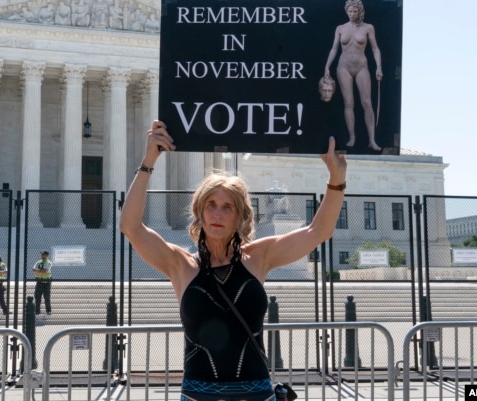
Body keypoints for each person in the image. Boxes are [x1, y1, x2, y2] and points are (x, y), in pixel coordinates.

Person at [120, 120, 347, 401]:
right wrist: (148, 162)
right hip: (197, 395)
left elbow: (318, 231)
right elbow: (131, 227)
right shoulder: (181, 264)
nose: (217, 214)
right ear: (200, 212)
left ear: (240, 216)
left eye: (227, 207)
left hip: (256, 393)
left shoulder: (258, 257)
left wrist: (336, 180)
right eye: (211, 205)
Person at [324, 0, 382, 151]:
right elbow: (334, 48)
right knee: (348, 103)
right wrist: (327, 66)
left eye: (355, 11)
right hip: (343, 67)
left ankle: (372, 139)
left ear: (359, 11)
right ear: (346, 11)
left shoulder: (368, 27)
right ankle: (352, 137)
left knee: (367, 103)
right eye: (350, 11)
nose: (352, 13)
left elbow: (375, 48)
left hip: (361, 66)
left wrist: (379, 67)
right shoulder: (340, 28)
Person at [32, 250, 52, 315]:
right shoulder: (38, 262)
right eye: (42, 254)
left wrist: (38, 271)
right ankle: (37, 311)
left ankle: (48, 311)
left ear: (46, 255)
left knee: (47, 297)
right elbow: (33, 269)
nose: (42, 256)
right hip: (39, 282)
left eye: (43, 254)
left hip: (46, 282)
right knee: (37, 297)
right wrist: (41, 271)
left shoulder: (49, 262)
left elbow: (45, 271)